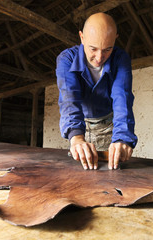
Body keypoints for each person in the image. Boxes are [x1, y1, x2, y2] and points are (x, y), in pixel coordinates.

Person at [56, 12, 137, 170]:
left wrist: (122, 138)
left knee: (111, 174)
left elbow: (122, 97)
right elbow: (69, 98)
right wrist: (77, 138)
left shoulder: (121, 59)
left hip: (110, 125)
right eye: (93, 49)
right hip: (79, 124)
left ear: (115, 39)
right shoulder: (66, 59)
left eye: (107, 49)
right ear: (82, 37)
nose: (99, 58)